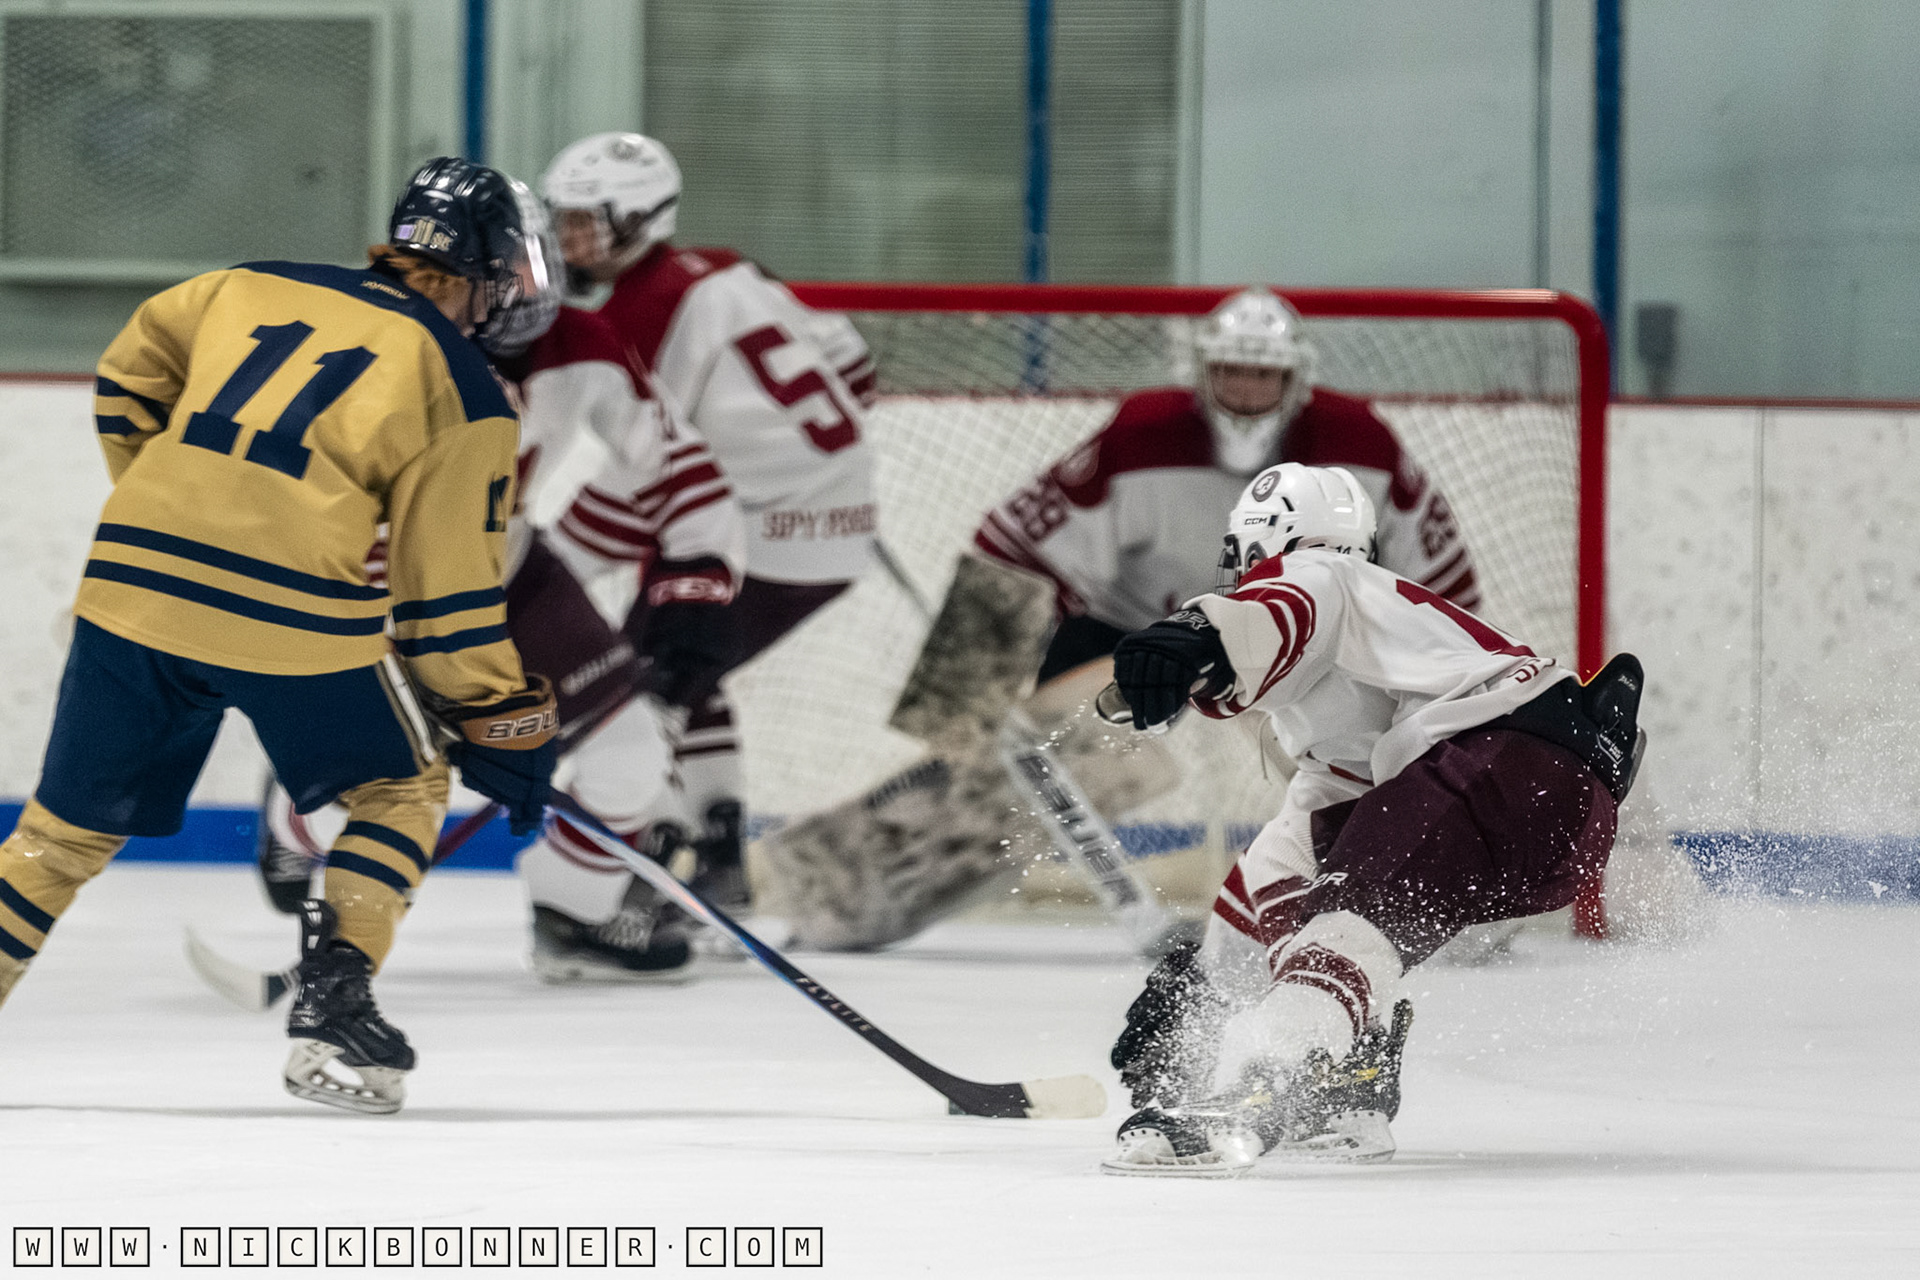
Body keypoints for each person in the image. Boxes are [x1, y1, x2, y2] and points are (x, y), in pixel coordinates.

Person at [0, 157, 562, 1115]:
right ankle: (336, 990)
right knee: (401, 783)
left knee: (59, 836)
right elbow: (445, 604)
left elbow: (128, 373)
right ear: (488, 273)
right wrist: (503, 721)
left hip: (132, 577)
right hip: (290, 612)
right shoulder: (466, 388)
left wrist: (174, 505)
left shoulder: (243, 284)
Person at [1098, 463, 1642, 1175]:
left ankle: (1257, 1089)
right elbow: (1286, 858)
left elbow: (1289, 604)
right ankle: (1343, 1089)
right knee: (1329, 904)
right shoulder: (1374, 674)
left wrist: (1199, 633)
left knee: (1353, 918)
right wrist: (1197, 993)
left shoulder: (1322, 579)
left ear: (1262, 551)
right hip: (1549, 805)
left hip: (1507, 757)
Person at [254, 300, 748, 982]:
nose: (507, 294)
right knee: (362, 782)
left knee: (631, 750)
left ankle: (572, 917)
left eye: (519, 270)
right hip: (378, 594)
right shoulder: (362, 351)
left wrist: (696, 587)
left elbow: (676, 466)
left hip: (509, 573)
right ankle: (291, 819)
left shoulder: (575, 343)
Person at [530, 131, 877, 943]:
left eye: (587, 223)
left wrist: (552, 566)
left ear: (643, 218)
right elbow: (854, 366)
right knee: (691, 672)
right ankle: (718, 855)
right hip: (831, 522)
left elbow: (648, 470)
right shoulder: (730, 269)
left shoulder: (637, 314)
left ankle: (645, 871)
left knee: (632, 700)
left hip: (758, 539)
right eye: (564, 222)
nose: (570, 240)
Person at [974, 287, 1480, 684]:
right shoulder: (1139, 438)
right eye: (1230, 371)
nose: (1244, 389)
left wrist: (1440, 679)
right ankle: (982, 769)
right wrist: (967, 697)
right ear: (1203, 372)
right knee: (1066, 681)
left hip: (1312, 644)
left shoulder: (1363, 446)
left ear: (1295, 379)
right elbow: (1015, 554)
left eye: (1263, 374)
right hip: (1147, 637)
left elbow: (1440, 585)